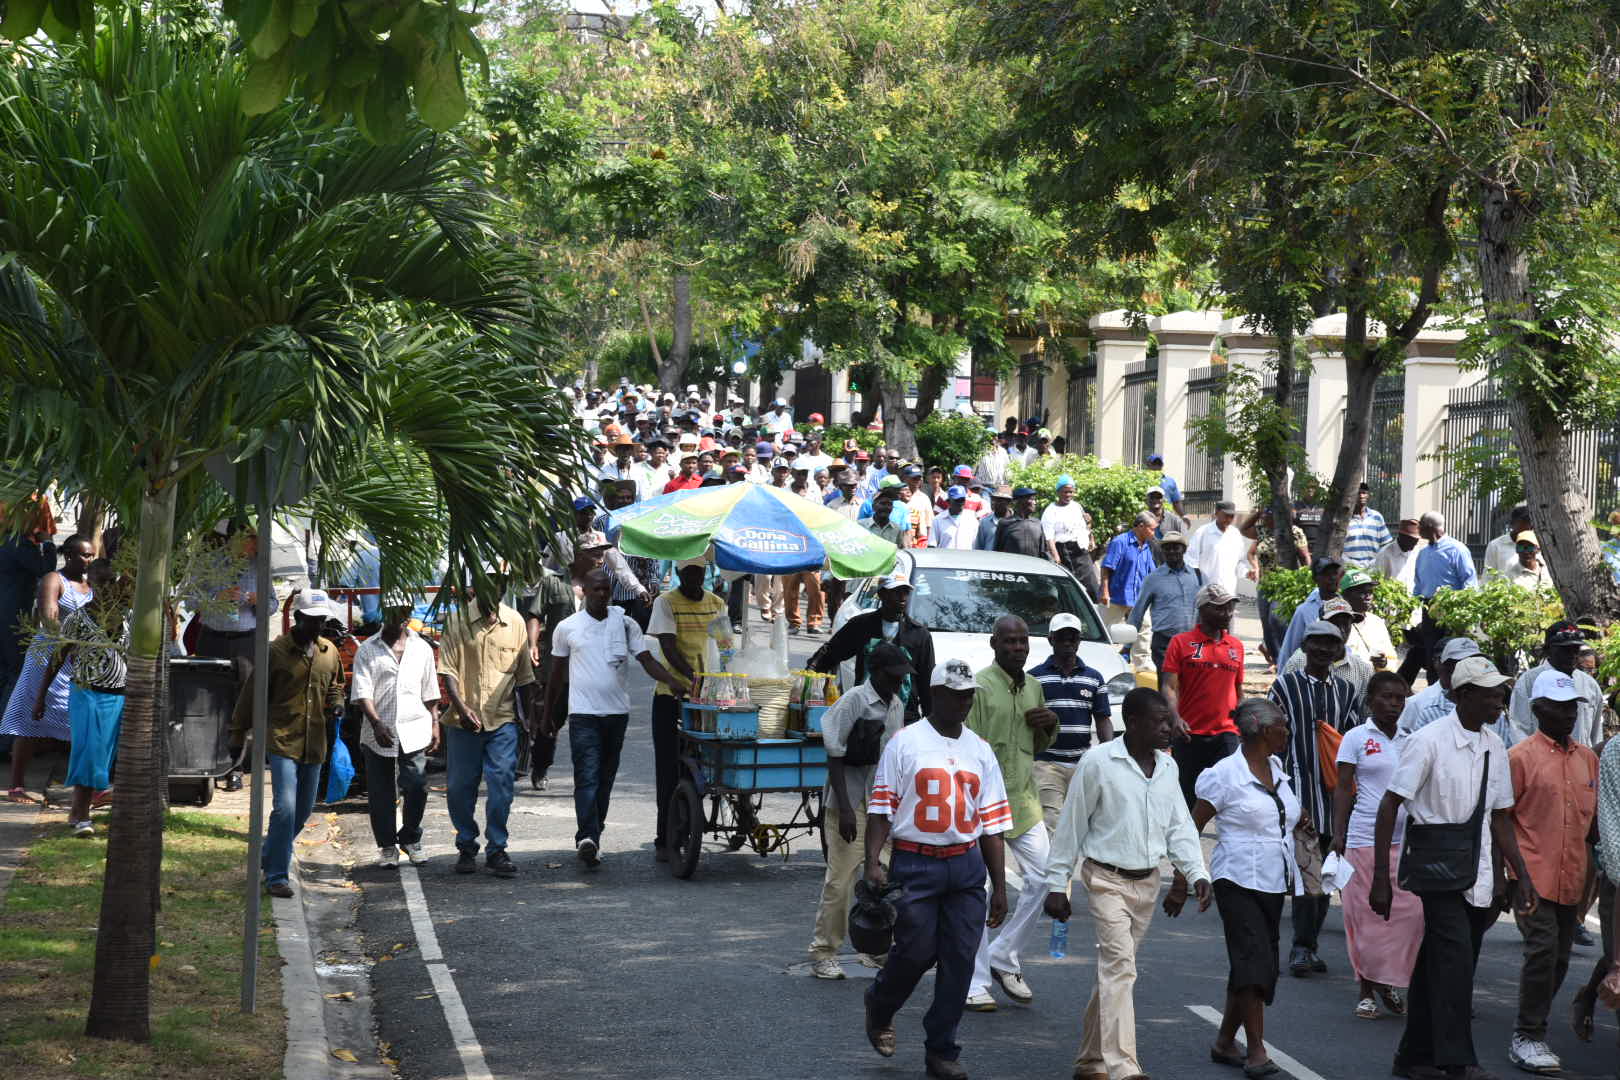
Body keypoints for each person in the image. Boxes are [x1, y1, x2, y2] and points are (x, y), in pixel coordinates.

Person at [1372, 655, 1536, 1080]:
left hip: (1477, 870)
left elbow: (1499, 816)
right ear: (1462, 695)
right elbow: (1390, 805)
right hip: (1435, 870)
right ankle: (1457, 1058)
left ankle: (1412, 1057)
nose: (1499, 701)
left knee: (1437, 965)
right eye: (1490, 694)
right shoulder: (1427, 741)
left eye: (1501, 694)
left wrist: (1515, 874)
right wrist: (1380, 879)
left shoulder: (1493, 745)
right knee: (1456, 966)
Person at [1043, 688, 1211, 1080]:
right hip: (1105, 880)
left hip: (1147, 883)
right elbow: (1072, 824)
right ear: (1132, 724)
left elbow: (1179, 826)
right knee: (1120, 968)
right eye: (1160, 722)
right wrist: (1057, 883)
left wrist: (1197, 872)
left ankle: (1090, 1059)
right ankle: (1123, 1067)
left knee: (1115, 971)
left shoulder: (1168, 767)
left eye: (1169, 720)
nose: (1169, 728)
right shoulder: (1099, 763)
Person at [863, 659, 1010, 1080]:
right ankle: (881, 1002)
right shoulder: (905, 743)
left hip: (965, 866)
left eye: (969, 695)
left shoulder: (979, 750)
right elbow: (881, 810)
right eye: (955, 694)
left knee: (961, 958)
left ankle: (941, 1049)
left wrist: (999, 885)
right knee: (915, 951)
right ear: (935, 694)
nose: (963, 702)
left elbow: (992, 824)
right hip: (915, 862)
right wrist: (874, 861)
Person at [1179, 698, 1302, 1076]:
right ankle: (1257, 1051)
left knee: (1253, 962)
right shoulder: (1224, 774)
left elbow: (1284, 817)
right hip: (1236, 879)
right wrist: (1184, 877)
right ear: (1264, 731)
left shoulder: (1277, 768)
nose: (1287, 731)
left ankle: (1223, 1042)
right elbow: (1191, 827)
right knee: (1253, 961)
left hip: (1272, 879)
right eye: (1282, 725)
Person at [1501, 669, 1599, 1074]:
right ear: (1538, 708)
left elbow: (1592, 827)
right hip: (1531, 874)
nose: (1567, 715)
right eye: (1558, 708)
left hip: (1574, 877)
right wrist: (1513, 876)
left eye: (1572, 708)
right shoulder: (1519, 757)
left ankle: (1532, 1022)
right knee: (1542, 951)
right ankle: (1527, 1035)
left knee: (1559, 959)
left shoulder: (1588, 759)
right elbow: (1502, 819)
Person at [544, 568, 676, 869]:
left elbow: (646, 660)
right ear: (585, 592)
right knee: (587, 777)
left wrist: (674, 683)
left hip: (617, 715)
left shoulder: (626, 624)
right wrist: (548, 715)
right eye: (597, 590)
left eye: (606, 589)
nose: (602, 594)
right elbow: (556, 675)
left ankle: (594, 834)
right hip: (583, 715)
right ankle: (586, 837)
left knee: (604, 779)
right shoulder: (567, 628)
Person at [963, 616, 1059, 1012]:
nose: (1017, 648)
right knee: (980, 891)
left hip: (1023, 799)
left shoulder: (1034, 686)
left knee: (1045, 878)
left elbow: (1036, 745)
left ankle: (1004, 954)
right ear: (994, 644)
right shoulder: (981, 688)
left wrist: (1049, 724)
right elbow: (968, 749)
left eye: (1023, 642)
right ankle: (975, 980)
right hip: (983, 805)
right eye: (1010, 642)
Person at [229, 589, 345, 898]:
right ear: (298, 618)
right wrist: (237, 733)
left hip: (314, 741)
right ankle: (277, 876)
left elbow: (335, 685)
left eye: (322, 621)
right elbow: (251, 695)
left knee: (303, 810)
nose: (319, 626)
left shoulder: (328, 651)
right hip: (281, 739)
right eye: (313, 621)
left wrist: (336, 703)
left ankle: (268, 854)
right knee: (285, 808)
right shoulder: (275, 652)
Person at [808, 641, 909, 979]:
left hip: (882, 803)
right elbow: (834, 753)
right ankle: (825, 950)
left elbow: (892, 759)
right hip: (849, 799)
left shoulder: (896, 704)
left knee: (882, 878)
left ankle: (876, 948)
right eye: (894, 677)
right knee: (841, 879)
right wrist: (847, 809)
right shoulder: (854, 701)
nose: (898, 684)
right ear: (876, 673)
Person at [1270, 619, 1364, 977]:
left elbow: (1353, 741)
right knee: (1309, 873)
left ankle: (1307, 946)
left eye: (1331, 643)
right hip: (1299, 795)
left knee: (1326, 875)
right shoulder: (1285, 686)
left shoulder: (1346, 690)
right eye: (1317, 642)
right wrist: (1280, 791)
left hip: (1337, 797)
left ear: (1339, 648)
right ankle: (1301, 947)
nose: (1324, 649)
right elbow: (1272, 741)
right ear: (1305, 647)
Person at [1333, 670, 1424, 1020]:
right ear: (1370, 699)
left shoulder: (1413, 739)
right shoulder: (1356, 737)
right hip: (1362, 839)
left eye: (1400, 698)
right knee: (1367, 919)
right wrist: (1337, 834)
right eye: (1386, 697)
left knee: (1410, 917)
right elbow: (1343, 788)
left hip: (1406, 842)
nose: (1393, 704)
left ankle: (1388, 979)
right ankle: (1367, 990)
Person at [439, 583, 536, 879]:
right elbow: (448, 670)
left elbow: (524, 678)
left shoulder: (515, 621)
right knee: (459, 788)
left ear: (504, 586)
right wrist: (461, 706)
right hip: (462, 720)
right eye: (485, 579)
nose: (490, 587)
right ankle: (466, 845)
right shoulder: (456, 620)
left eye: (496, 580)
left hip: (502, 720)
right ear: (473, 587)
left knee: (501, 784)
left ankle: (497, 849)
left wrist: (532, 722)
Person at [350, 593, 440, 868]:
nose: (396, 617)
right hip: (379, 730)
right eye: (391, 611)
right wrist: (376, 722)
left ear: (408, 612)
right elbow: (362, 691)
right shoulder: (368, 649)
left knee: (417, 784)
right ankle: (387, 846)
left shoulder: (421, 647)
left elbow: (430, 690)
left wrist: (435, 722)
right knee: (381, 791)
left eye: (401, 611)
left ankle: (411, 837)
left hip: (414, 727)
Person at [35, 559, 124, 836]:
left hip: (118, 694)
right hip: (86, 692)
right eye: (101, 582)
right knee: (88, 750)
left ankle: (83, 810)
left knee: (104, 754)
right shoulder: (79, 618)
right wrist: (41, 697)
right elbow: (59, 656)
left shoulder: (128, 615)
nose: (107, 587)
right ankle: (80, 814)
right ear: (91, 585)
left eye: (111, 581)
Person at [2, 534, 93, 802]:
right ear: (69, 554)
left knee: (81, 720)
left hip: (78, 660)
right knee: (29, 720)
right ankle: (16, 785)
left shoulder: (91, 585)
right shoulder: (54, 579)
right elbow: (49, 617)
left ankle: (87, 787)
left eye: (91, 555)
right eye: (83, 555)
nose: (88, 560)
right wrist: (70, 641)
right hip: (48, 656)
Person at [647, 557, 727, 861]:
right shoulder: (666, 603)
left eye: (699, 572)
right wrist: (693, 680)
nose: (694, 578)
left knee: (708, 764)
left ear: (705, 572)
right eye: (688, 572)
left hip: (708, 699)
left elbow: (724, 644)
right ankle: (664, 838)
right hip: (672, 696)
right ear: (679, 573)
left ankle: (691, 823)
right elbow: (668, 646)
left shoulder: (717, 603)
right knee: (669, 770)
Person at [521, 530, 612, 791]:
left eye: (602, 552)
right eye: (595, 553)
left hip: (591, 669)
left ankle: (587, 776)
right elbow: (535, 615)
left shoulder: (602, 585)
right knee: (548, 722)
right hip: (558, 667)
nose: (600, 557)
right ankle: (540, 766)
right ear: (580, 554)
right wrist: (531, 645)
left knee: (591, 726)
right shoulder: (554, 583)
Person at [811, 573, 935, 724]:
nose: (902, 597)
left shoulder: (919, 635)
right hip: (865, 713)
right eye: (896, 592)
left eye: (905, 592)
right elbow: (830, 654)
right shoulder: (861, 625)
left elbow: (926, 681)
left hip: (905, 717)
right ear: (882, 594)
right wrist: (811, 681)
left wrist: (931, 722)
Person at [1161, 582, 1245, 807]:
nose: (1227, 613)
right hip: (1190, 734)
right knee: (1186, 800)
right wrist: (1175, 718)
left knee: (1230, 799)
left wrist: (1244, 723)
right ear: (1203, 610)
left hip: (1227, 733)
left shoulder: (1236, 646)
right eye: (1220, 607)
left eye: (1229, 607)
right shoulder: (1180, 643)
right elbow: (1168, 686)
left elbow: (1238, 690)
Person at [1030, 613, 1114, 831]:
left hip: (1083, 764)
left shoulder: (1094, 678)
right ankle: (1052, 866)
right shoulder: (1034, 678)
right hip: (1046, 764)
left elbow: (1103, 719)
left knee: (1081, 826)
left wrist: (1109, 754)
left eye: (1073, 637)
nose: (1068, 642)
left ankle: (1064, 865)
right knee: (1053, 823)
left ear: (1079, 641)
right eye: (1061, 637)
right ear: (1051, 640)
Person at [1400, 511, 1479, 686]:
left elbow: (1470, 581)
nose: (1418, 529)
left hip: (1453, 609)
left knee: (1452, 652)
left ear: (1428, 527)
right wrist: (1412, 609)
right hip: (1429, 610)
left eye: (1420, 525)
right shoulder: (1423, 553)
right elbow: (1418, 585)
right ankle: (1433, 687)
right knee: (1431, 654)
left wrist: (1463, 611)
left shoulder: (1456, 549)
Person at [1509, 621, 1605, 747]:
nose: (1572, 655)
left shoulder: (1589, 685)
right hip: (1541, 763)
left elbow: (1596, 735)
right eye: (1565, 650)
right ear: (1548, 650)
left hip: (1580, 762)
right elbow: (1519, 729)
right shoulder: (1528, 682)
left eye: (1576, 649)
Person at [1126, 530, 1202, 673]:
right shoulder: (1153, 579)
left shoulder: (1197, 576)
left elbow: (1208, 607)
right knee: (1167, 687)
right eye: (1167, 547)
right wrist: (1127, 644)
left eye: (1176, 547)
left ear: (1184, 549)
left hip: (1193, 643)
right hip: (1164, 643)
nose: (1171, 551)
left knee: (1191, 687)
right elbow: (1137, 612)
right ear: (1162, 550)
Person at [1245, 507, 1310, 668]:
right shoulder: (1262, 532)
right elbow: (1243, 529)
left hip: (1285, 583)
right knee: (1266, 623)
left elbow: (1305, 557)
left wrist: (1307, 579)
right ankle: (1276, 660)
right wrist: (1257, 513)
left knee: (1277, 619)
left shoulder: (1294, 532)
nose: (1265, 518)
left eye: (1268, 515)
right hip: (1265, 584)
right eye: (1265, 515)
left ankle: (1286, 657)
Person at [1281, 596, 1375, 697]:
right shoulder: (1299, 661)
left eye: (1346, 624)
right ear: (1322, 623)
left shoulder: (1363, 670)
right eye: (1336, 624)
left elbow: (1366, 712)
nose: (1342, 630)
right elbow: (1281, 701)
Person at [1099, 513, 1159, 661]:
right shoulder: (1120, 542)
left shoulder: (1146, 546)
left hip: (1139, 597)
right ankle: (1111, 661)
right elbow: (1106, 567)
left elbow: (1152, 573)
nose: (1154, 533)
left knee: (1145, 628)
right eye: (1152, 529)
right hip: (1116, 595)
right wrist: (1105, 591)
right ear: (1141, 527)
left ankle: (1142, 662)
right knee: (1111, 629)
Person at [1401, 637, 1482, 733]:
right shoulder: (1417, 704)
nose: (1467, 668)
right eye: (1458, 662)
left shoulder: (1487, 703)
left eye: (1473, 662)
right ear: (1437, 662)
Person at [1277, 554, 1344, 667]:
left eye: (1335, 573)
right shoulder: (1305, 611)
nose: (1332, 578)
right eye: (1327, 574)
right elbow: (1290, 647)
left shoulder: (1346, 607)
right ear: (1315, 579)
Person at [1042, 475, 1097, 597]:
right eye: (1065, 492)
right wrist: (1056, 557)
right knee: (1072, 589)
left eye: (1071, 492)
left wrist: (1091, 539)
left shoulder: (1076, 506)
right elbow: (1049, 538)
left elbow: (1085, 525)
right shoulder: (1050, 511)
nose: (1068, 495)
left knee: (1092, 586)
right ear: (1058, 492)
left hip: (1081, 551)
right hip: (1065, 552)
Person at [1339, 567, 1396, 671]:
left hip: (1374, 683)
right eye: (1362, 592)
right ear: (1345, 596)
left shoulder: (1376, 622)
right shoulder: (1336, 622)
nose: (1368, 596)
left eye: (1370, 592)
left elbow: (1392, 659)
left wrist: (1384, 663)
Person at [1186, 501, 1248, 595]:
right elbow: (1191, 561)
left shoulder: (1236, 535)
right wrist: (1199, 584)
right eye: (1226, 515)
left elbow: (1240, 562)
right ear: (1216, 513)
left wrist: (1247, 573)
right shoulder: (1203, 532)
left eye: (1231, 516)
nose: (1228, 519)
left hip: (1229, 592)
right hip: (1207, 592)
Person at [1344, 483, 1393, 568]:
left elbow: (1386, 545)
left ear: (1368, 495)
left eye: (1364, 493)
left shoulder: (1377, 517)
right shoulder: (1345, 519)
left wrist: (1377, 560)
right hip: (1350, 569)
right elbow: (1338, 547)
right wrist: (1349, 563)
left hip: (1373, 568)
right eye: (1358, 493)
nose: (1361, 496)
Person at [991, 485, 1046, 558]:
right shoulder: (1005, 523)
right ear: (1019, 502)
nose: (1035, 502)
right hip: (1013, 567)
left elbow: (1043, 551)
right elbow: (997, 550)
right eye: (1031, 499)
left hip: (1033, 568)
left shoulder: (1037, 524)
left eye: (1034, 499)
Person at [1484, 505, 1535, 579]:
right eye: (1521, 531)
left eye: (1528, 530)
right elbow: (1488, 576)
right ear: (1512, 524)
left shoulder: (1538, 544)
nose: (1524, 535)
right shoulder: (1496, 545)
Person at [930, 486, 978, 551]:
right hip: (944, 559)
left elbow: (977, 545)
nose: (961, 503)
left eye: (962, 500)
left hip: (967, 559)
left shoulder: (972, 519)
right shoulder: (938, 520)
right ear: (949, 501)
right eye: (957, 500)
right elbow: (932, 546)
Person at [1144, 453, 1186, 518]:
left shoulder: (1170, 481)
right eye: (1154, 464)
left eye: (1159, 464)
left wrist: (1183, 516)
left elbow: (1176, 502)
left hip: (1166, 518)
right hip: (1147, 519)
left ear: (1162, 465)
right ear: (1148, 465)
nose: (1156, 466)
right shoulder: (1142, 481)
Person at [973, 485, 1013, 551]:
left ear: (1009, 502)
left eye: (1001, 500)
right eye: (995, 499)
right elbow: (979, 548)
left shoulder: (1017, 522)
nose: (996, 503)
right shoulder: (984, 522)